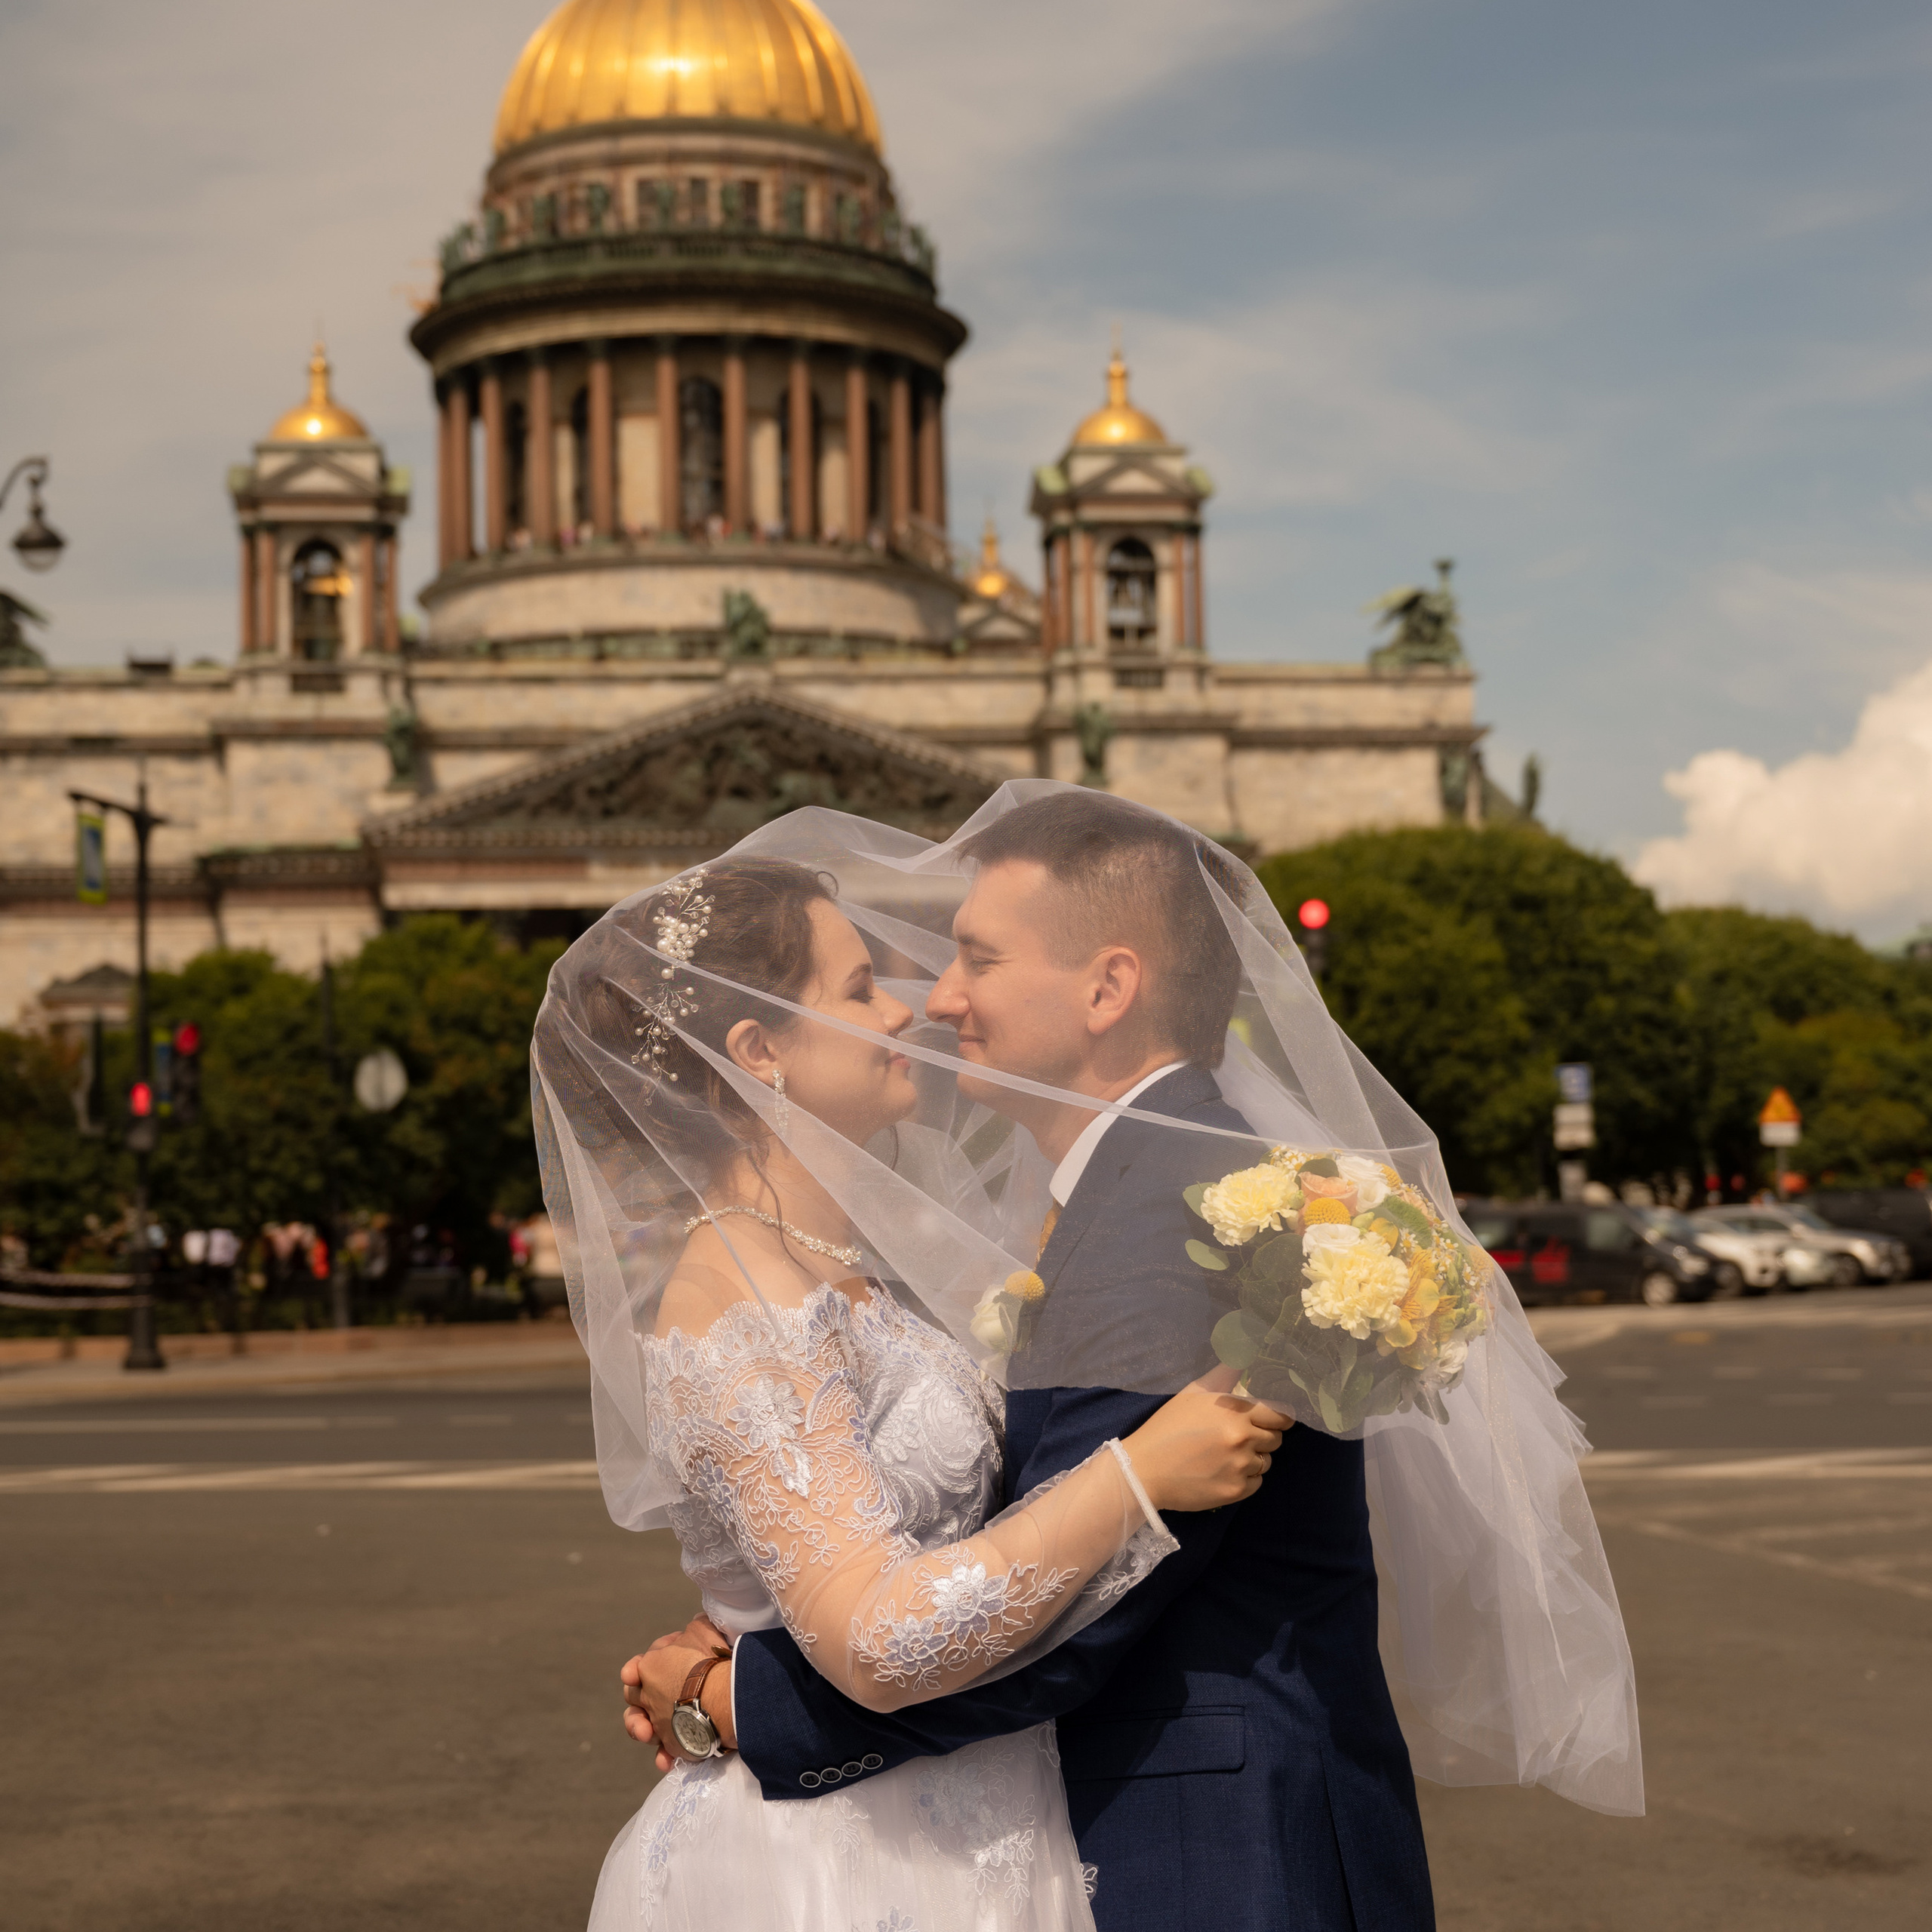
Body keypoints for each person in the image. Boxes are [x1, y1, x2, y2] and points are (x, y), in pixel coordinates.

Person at [547, 785, 1641, 1932]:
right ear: (758, 1054)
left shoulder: (1163, 1217)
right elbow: (941, 1573)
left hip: (1207, 1844)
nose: (931, 1000)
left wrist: (738, 1699)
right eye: (867, 985)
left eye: (975, 958)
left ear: (1109, 988)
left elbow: (1075, 1626)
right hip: (928, 1850)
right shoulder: (1138, 1197)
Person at [534, 851, 1287, 1932]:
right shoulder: (739, 1298)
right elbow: (878, 1639)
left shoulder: (846, 1270)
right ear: (759, 1053)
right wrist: (1135, 1478)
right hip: (842, 1863)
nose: (906, 1008)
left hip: (975, 1819)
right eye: (857, 989)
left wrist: (733, 1673)